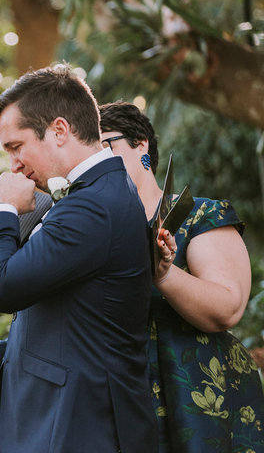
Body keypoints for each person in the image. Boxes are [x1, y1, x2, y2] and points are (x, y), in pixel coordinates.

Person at [0, 65, 157, 452]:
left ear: (59, 130)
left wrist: (2, 207)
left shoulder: (92, 206)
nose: (13, 164)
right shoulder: (92, 195)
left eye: (16, 146)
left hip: (80, 428)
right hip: (64, 420)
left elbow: (1, 289)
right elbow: (71, 320)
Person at [100, 100, 264, 452]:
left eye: (105, 146)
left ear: (140, 145)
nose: (97, 162)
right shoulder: (92, 235)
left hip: (202, 399)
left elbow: (227, 309)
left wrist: (163, 274)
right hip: (121, 404)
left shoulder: (201, 215)